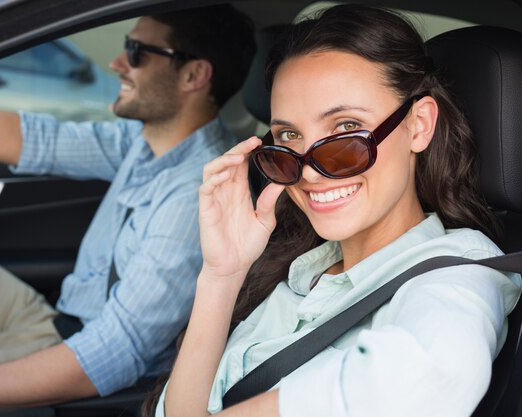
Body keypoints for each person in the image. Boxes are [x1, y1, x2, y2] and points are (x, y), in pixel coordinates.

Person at [150, 5, 522, 417]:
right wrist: (223, 274)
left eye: (346, 130)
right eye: (289, 136)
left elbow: (429, 378)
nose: (309, 172)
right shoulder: (296, 272)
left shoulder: (458, 276)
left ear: (418, 125)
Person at [0, 4, 256, 416]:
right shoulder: (145, 143)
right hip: (55, 316)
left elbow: (115, 351)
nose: (117, 63)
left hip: (68, 350)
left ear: (194, 75)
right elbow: (38, 141)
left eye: (137, 52)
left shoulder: (197, 195)